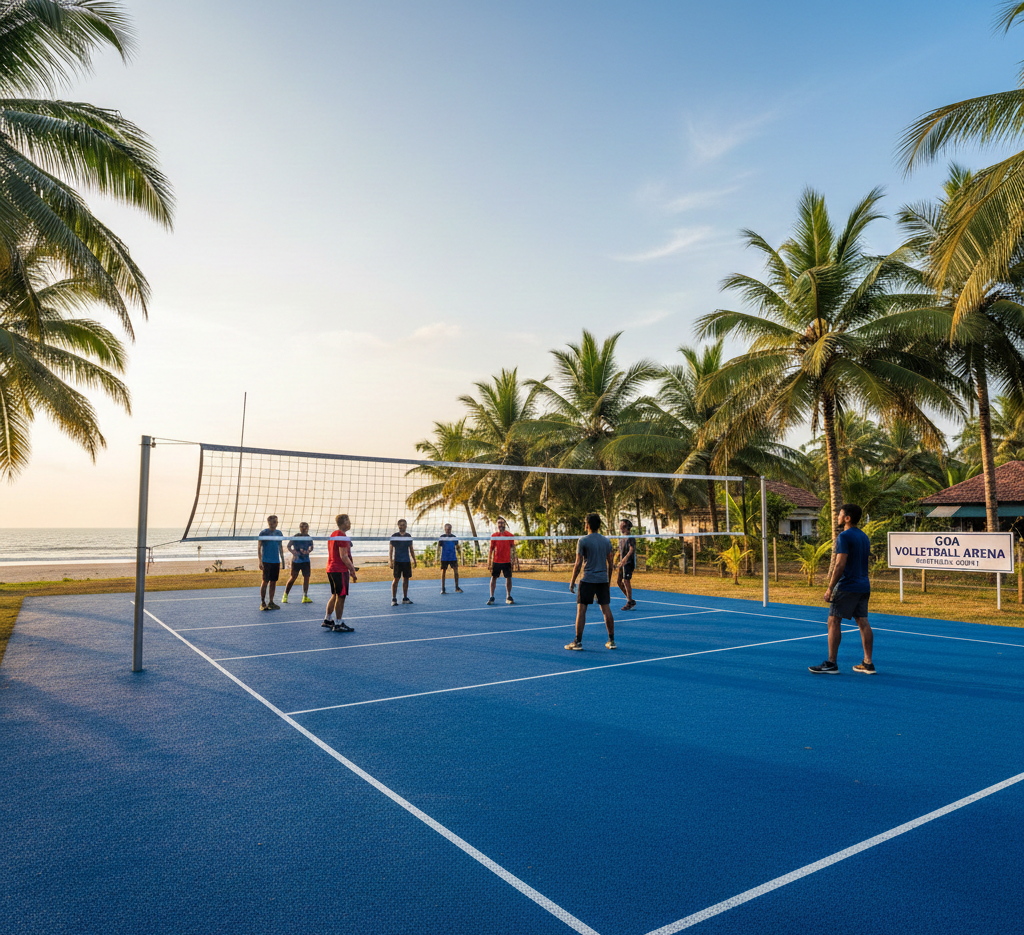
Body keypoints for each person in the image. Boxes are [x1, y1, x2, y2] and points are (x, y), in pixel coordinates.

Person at [809, 503, 876, 674]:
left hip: (848, 585)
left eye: (840, 514)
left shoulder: (844, 537)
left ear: (847, 518)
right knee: (863, 621)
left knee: (833, 620)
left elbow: (840, 564)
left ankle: (831, 663)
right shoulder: (864, 537)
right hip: (863, 585)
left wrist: (830, 587)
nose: (837, 517)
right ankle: (868, 663)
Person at [567, 513, 616, 650]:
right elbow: (610, 563)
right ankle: (611, 641)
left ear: (587, 524)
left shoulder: (582, 540)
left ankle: (577, 642)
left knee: (581, 610)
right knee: (606, 609)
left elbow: (578, 564)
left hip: (588, 579)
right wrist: (608, 581)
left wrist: (572, 582)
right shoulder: (606, 541)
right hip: (602, 580)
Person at [324, 514, 357, 632]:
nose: (350, 523)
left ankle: (328, 619)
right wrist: (352, 570)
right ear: (344, 522)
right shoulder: (342, 536)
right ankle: (338, 623)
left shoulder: (334, 534)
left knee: (335, 594)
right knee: (341, 596)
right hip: (339, 570)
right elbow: (344, 556)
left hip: (331, 568)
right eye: (349, 520)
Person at [257, 515, 286, 610]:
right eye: (271, 523)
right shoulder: (264, 533)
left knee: (273, 582)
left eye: (275, 522)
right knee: (265, 581)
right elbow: (259, 547)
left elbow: (280, 547)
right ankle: (262, 602)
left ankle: (271, 602)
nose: (273, 524)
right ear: (268, 523)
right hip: (266, 561)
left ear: (277, 523)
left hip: (276, 561)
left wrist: (283, 560)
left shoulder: (279, 533)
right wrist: (260, 561)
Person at [282, 521, 314, 603]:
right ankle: (285, 596)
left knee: (306, 578)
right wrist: (293, 552)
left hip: (306, 560)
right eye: (302, 527)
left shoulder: (309, 537)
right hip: (296, 560)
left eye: (306, 527)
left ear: (308, 528)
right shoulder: (296, 536)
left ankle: (305, 596)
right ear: (300, 528)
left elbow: (311, 547)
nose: (304, 528)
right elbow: (289, 546)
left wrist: (308, 551)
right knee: (293, 577)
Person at [487, 517, 516, 605]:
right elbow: (491, 549)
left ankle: (508, 596)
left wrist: (514, 560)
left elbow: (513, 548)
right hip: (496, 561)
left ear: (505, 525)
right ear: (497, 525)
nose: (500, 524)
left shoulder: (510, 535)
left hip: (507, 561)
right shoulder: (494, 536)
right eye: (499, 523)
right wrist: (489, 561)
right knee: (494, 578)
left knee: (508, 578)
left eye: (502, 523)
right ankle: (491, 597)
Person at [389, 519, 416, 606]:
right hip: (397, 561)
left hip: (406, 561)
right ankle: (394, 599)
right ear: (398, 526)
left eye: (403, 524)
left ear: (406, 526)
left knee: (406, 579)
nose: (402, 526)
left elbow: (411, 549)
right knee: (396, 579)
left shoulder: (408, 536)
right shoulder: (395, 536)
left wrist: (414, 560)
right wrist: (390, 560)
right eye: (400, 525)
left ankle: (405, 598)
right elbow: (391, 550)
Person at [616, 518, 637, 610]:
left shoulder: (630, 538)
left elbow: (632, 550)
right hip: (622, 563)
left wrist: (625, 559)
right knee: (618, 582)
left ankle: (629, 602)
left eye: (622, 525)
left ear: (626, 527)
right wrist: (616, 559)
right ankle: (630, 600)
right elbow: (620, 551)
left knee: (626, 581)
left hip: (629, 562)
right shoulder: (621, 538)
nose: (620, 526)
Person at [438, 523, 463, 594]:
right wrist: (437, 556)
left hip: (453, 557)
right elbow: (439, 546)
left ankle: (457, 587)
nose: (448, 530)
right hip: (444, 557)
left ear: (451, 529)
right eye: (447, 529)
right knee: (443, 572)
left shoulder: (454, 537)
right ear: (445, 529)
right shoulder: (442, 537)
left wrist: (460, 555)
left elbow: (457, 546)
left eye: (449, 529)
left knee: (456, 571)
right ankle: (443, 589)